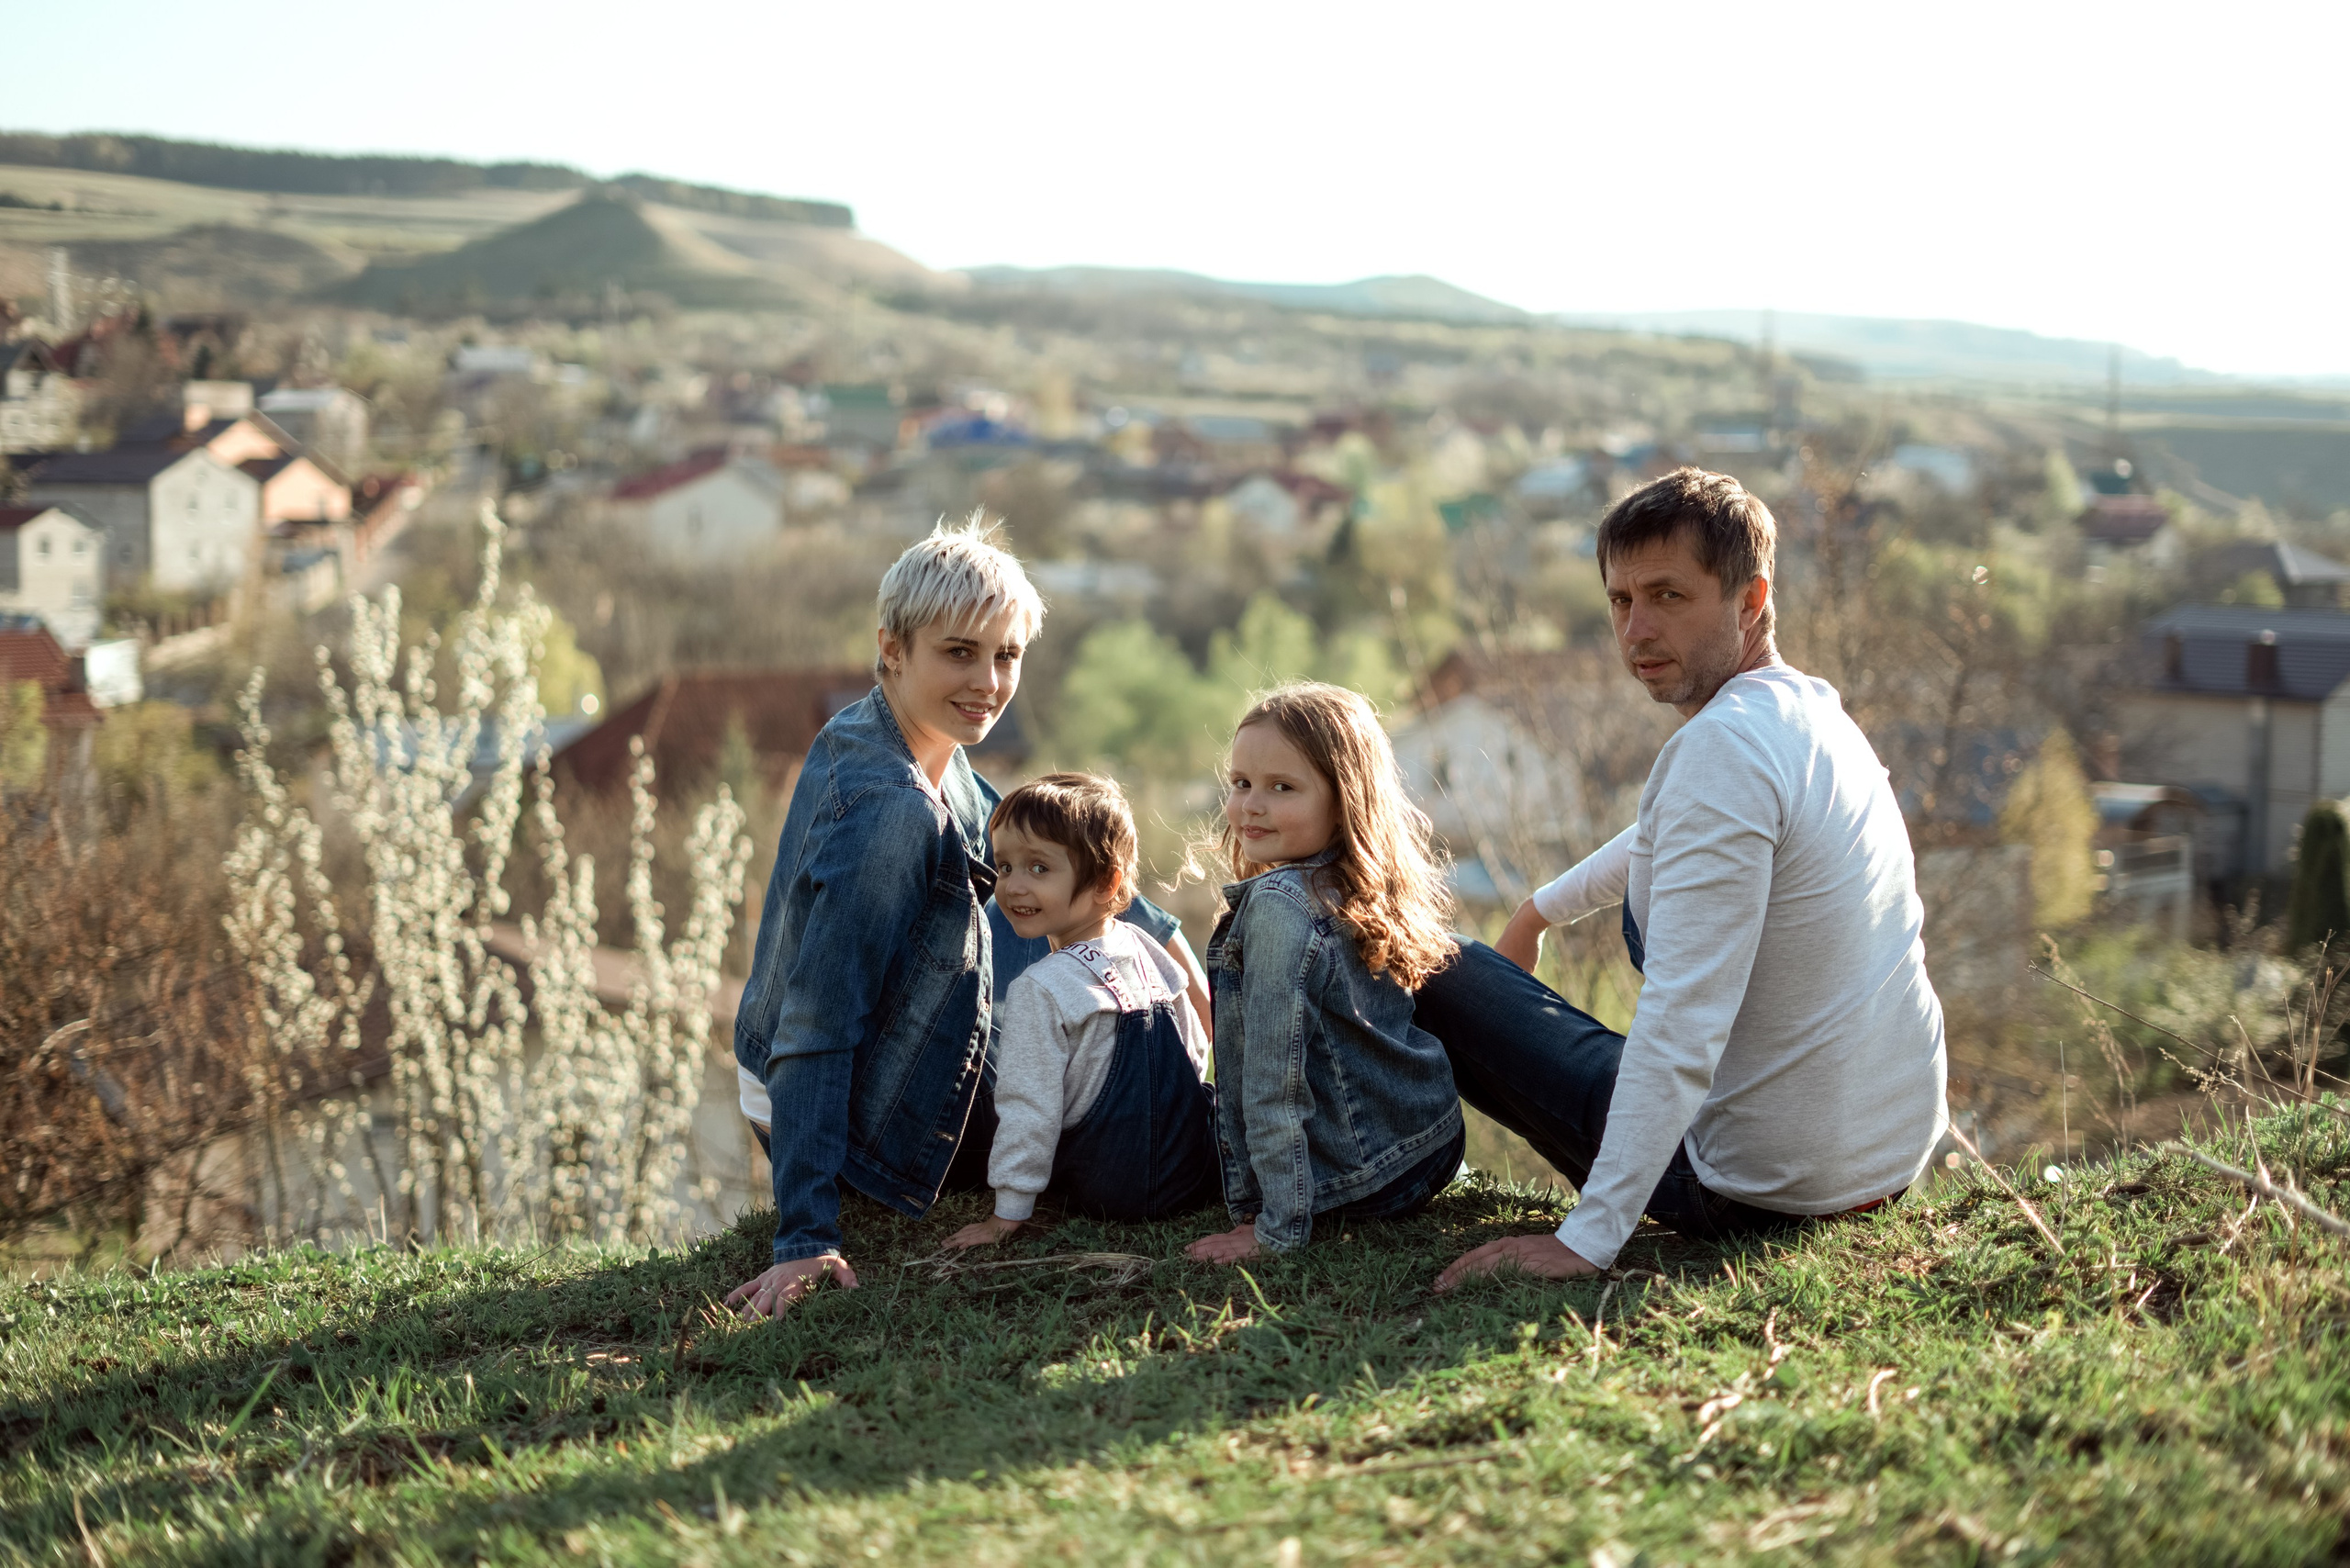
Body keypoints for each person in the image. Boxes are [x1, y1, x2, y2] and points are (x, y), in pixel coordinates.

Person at [1422, 467, 1949, 1292]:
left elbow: (1683, 1018)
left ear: (1750, 598)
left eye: (1668, 595)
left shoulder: (1721, 751)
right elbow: (1675, 834)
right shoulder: (1810, 716)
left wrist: (1588, 1239)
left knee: (1428, 964)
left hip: (1751, 1191)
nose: (1636, 629)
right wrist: (1538, 911)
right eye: (1620, 601)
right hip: (1882, 1165)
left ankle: (1363, 1177)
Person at [723, 516, 1203, 1319]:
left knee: (1097, 984)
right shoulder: (889, 812)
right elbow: (815, 1022)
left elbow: (1030, 842)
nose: (988, 680)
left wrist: (1160, 933)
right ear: (893, 648)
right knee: (1103, 1093)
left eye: (1006, 655)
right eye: (959, 652)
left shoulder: (913, 738)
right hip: (840, 1119)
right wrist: (804, 1234)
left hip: (869, 1057)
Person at [1186, 682, 1465, 1264]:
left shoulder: (1281, 906)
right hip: (1430, 1140)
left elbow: (1273, 1082)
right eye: (1240, 783)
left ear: (1343, 802)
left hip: (1367, 1171)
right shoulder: (1348, 881)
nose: (1250, 805)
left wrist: (1275, 1227)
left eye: (1281, 787)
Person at [942, 773, 1216, 1250]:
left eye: (1039, 868)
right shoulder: (1145, 948)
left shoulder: (1039, 988)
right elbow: (1191, 1048)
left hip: (1108, 1189)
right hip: (1189, 1174)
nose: (1014, 888)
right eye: (1005, 867)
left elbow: (1029, 1108)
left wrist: (1007, 1214)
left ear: (1106, 882)